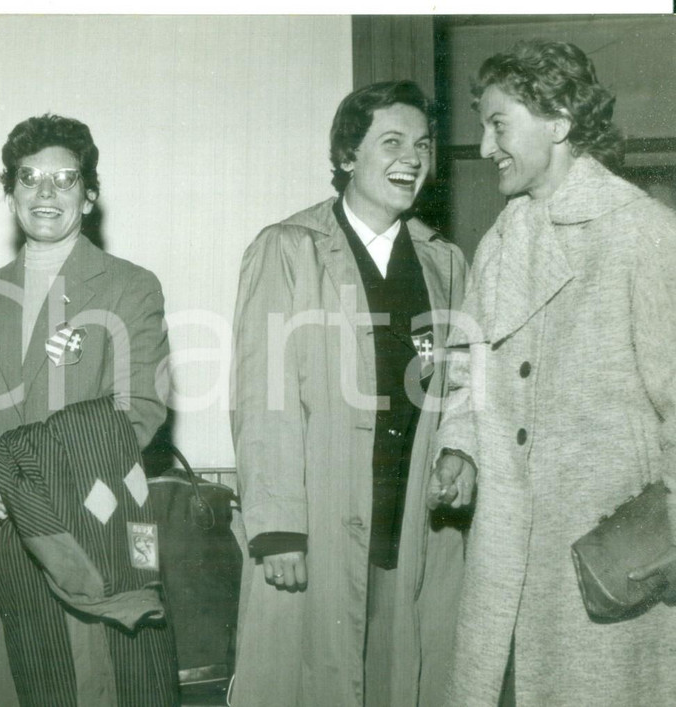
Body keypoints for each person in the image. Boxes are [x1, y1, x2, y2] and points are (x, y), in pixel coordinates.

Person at [429, 39, 676, 706]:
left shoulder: (642, 233)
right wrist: (461, 445)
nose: (484, 147)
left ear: (560, 119)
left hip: (607, 555)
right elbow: (468, 362)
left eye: (498, 123)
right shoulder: (501, 240)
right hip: (507, 548)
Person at [230, 80, 468, 706]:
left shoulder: (446, 263)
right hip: (320, 517)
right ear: (345, 157)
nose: (411, 158)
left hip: (414, 516)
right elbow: (264, 396)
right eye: (390, 142)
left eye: (422, 144)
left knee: (406, 679)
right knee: (316, 681)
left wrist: (461, 455)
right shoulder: (289, 249)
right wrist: (279, 528)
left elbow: (464, 385)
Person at [0, 114, 176, 706]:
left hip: (94, 524)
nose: (45, 193)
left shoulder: (131, 286)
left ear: (90, 194)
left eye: (64, 179)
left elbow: (141, 409)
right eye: (29, 179)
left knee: (103, 688)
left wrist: (35, 480)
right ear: (10, 193)